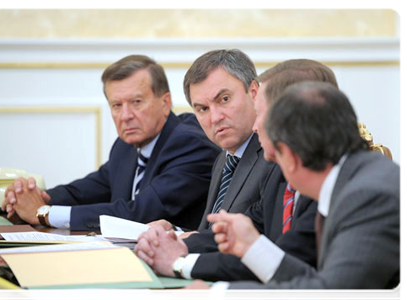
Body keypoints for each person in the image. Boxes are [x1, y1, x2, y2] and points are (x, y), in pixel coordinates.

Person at [175, 81, 404, 300]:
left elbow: (329, 294)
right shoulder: (355, 179)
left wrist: (217, 296)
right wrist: (254, 248)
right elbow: (317, 282)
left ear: (291, 157)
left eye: (276, 157)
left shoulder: (370, 196)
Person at [136, 58, 339, 282]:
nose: (256, 126)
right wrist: (173, 242)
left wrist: (179, 262)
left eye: (224, 99)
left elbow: (279, 260)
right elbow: (234, 235)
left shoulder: (324, 182)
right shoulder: (226, 158)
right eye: (202, 108)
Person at [1, 54, 221, 231]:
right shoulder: (126, 145)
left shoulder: (190, 144)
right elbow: (86, 190)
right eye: (117, 105)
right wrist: (30, 198)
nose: (125, 116)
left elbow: (137, 214)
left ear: (165, 103)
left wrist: (43, 213)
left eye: (136, 102)